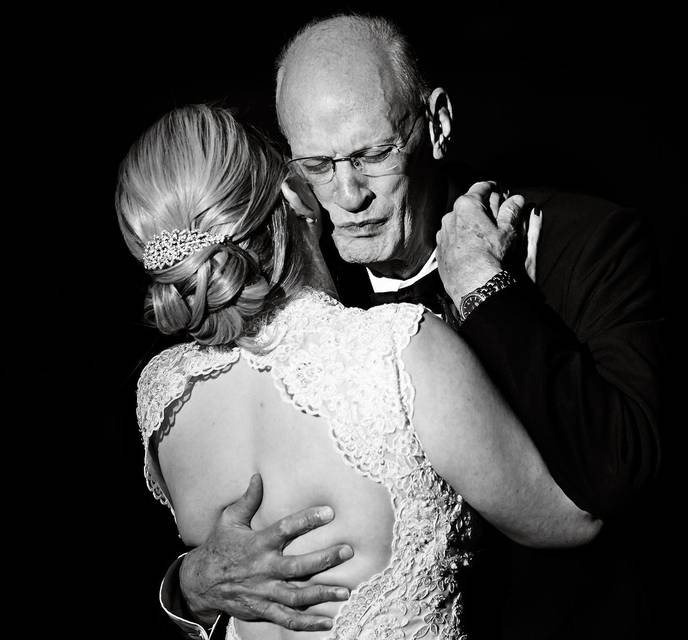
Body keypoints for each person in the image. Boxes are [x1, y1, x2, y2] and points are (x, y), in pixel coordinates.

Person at [159, 13, 662, 640]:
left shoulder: (585, 241)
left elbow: (619, 477)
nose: (348, 194)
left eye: (371, 154)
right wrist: (188, 587)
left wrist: (486, 289)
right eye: (317, 165)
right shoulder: (286, 302)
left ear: (437, 125)